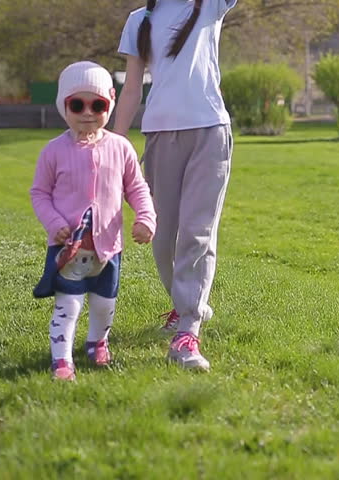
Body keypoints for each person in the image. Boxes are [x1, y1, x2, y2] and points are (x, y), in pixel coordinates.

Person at [114, 0, 237, 371]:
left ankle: (187, 330)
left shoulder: (210, 5)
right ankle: (187, 302)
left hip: (209, 132)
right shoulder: (140, 20)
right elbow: (132, 89)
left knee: (197, 234)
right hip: (159, 136)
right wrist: (114, 146)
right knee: (162, 235)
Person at [31, 61, 156, 381]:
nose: (88, 112)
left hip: (108, 247)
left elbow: (137, 188)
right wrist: (53, 222)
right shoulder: (54, 151)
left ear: (109, 105)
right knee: (68, 305)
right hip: (68, 247)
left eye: (97, 104)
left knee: (103, 304)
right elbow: (40, 193)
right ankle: (61, 359)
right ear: (64, 107)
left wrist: (146, 217)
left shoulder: (121, 147)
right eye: (77, 104)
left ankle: (97, 341)